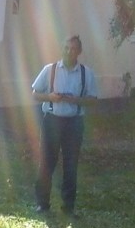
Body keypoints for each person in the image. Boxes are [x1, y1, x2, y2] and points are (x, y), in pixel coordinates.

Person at [32, 34, 99, 217]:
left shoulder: (86, 73)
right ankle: (42, 204)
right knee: (47, 162)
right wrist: (50, 97)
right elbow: (35, 94)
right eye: (66, 48)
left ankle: (68, 206)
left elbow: (93, 100)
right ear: (62, 49)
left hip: (74, 123)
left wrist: (75, 100)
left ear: (79, 51)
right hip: (52, 120)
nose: (69, 52)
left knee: (71, 165)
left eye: (73, 49)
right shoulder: (50, 69)